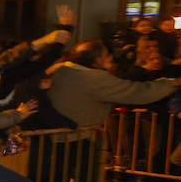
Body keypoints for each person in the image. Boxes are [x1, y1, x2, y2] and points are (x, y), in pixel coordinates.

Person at [47, 41, 178, 127]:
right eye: (106, 55)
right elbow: (137, 92)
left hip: (51, 132)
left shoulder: (58, 69)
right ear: (97, 59)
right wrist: (173, 83)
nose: (110, 58)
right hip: (76, 137)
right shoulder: (95, 78)